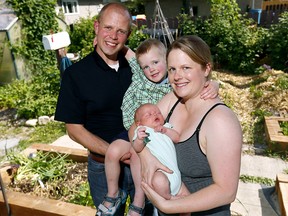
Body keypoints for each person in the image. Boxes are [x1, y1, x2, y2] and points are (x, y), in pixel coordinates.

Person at [96, 38, 219, 215]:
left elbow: (199, 80)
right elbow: (133, 57)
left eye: (156, 63)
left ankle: (140, 201)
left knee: (144, 161)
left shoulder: (174, 86)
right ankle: (113, 195)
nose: (151, 69)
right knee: (115, 151)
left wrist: (214, 83)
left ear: (167, 62)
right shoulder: (140, 79)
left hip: (159, 136)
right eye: (146, 67)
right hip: (135, 128)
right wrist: (111, 41)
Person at [130, 35, 243, 215]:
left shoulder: (220, 121)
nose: (177, 76)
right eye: (172, 69)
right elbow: (135, 127)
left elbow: (226, 191)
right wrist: (145, 155)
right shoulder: (173, 100)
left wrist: (169, 206)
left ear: (206, 68)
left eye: (186, 68)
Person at [54, 3, 140, 216]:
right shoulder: (76, 74)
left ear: (128, 35)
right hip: (103, 170)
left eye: (121, 31)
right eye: (108, 28)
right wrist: (115, 153)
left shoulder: (137, 69)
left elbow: (170, 76)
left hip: (144, 164)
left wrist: (208, 85)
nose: (113, 36)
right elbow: (74, 129)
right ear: (96, 27)